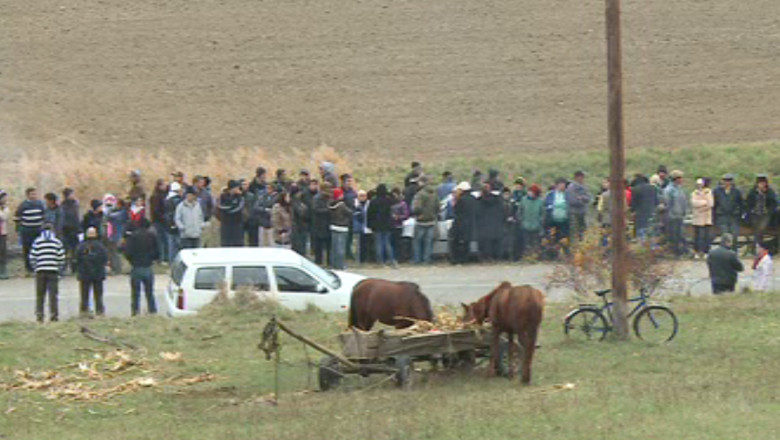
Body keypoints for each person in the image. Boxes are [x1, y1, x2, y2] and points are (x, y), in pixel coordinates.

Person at [29, 223, 65, 322]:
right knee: (53, 295)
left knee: (40, 295)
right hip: (53, 271)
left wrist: (36, 267)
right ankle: (54, 315)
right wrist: (59, 269)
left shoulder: (37, 242)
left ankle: (39, 315)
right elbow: (61, 257)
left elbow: (32, 257)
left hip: (40, 271)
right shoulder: (57, 242)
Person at [124, 219, 159, 315]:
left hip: (136, 266)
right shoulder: (152, 236)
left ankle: (135, 311)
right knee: (149, 292)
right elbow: (157, 252)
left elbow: (128, 252)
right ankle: (152, 310)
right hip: (148, 266)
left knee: (135, 293)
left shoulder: (133, 237)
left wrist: (132, 261)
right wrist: (151, 259)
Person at [75, 227, 108, 317]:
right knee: (98, 295)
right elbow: (105, 258)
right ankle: (99, 311)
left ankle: (84, 311)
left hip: (84, 273)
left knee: (84, 295)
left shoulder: (81, 246)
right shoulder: (100, 246)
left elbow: (77, 258)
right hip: (98, 273)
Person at [14, 188, 45, 274]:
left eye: (35, 194)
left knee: (39, 248)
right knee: (27, 249)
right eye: (32, 194)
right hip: (27, 231)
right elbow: (17, 218)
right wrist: (19, 229)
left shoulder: (40, 204)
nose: (34, 196)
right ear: (27, 195)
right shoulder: (23, 205)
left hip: (38, 230)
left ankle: (39, 266)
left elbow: (44, 215)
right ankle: (29, 268)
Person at [745, 174, 778, 254]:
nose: (762, 185)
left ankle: (757, 246)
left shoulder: (769, 192)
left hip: (765, 214)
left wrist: (769, 210)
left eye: (763, 183)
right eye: (760, 183)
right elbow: (748, 203)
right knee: (757, 227)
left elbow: (774, 203)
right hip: (754, 213)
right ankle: (758, 246)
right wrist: (750, 210)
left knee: (761, 227)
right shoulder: (753, 192)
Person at [411, 176, 439, 264]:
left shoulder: (420, 194)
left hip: (421, 221)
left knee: (417, 241)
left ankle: (417, 259)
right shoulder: (434, 193)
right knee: (428, 242)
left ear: (422, 182)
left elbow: (416, 207)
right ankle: (426, 259)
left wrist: (416, 214)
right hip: (432, 220)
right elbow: (438, 206)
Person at [367, 184, 396, 267]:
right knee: (387, 243)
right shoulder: (388, 200)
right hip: (387, 224)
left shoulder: (373, 201)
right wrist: (389, 193)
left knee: (378, 243)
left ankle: (380, 262)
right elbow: (395, 199)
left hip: (377, 224)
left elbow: (370, 213)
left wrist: (369, 224)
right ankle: (391, 260)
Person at [712, 173, 743, 251]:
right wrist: (714, 216)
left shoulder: (737, 191)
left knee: (734, 235)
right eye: (725, 180)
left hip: (734, 216)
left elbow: (741, 204)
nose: (727, 182)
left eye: (729, 180)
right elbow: (714, 204)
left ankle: (734, 252)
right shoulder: (716, 191)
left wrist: (739, 213)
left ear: (732, 181)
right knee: (725, 235)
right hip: (722, 216)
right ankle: (724, 252)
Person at [451, 182, 478, 264]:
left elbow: (456, 210)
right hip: (470, 223)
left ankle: (457, 259)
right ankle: (465, 259)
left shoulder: (461, 199)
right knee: (466, 242)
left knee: (456, 242)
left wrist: (455, 200)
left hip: (460, 223)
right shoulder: (473, 198)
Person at [663, 170, 688, 257]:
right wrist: (671, 214)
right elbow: (667, 203)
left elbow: (683, 201)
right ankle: (675, 252)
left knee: (681, 234)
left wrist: (684, 211)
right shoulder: (669, 190)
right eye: (680, 178)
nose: (682, 180)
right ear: (676, 179)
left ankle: (682, 251)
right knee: (674, 235)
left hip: (680, 215)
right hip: (672, 216)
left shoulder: (679, 189)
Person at [477, 183, 505, 261]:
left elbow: (477, 213)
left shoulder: (479, 201)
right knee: (495, 242)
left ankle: (485, 257)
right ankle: (495, 257)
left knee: (485, 243)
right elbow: (502, 210)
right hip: (495, 224)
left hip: (483, 225)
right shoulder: (497, 199)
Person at [565, 170, 592, 245]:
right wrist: (582, 201)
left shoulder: (585, 187)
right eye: (581, 177)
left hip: (583, 212)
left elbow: (589, 198)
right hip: (574, 213)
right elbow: (572, 201)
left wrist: (581, 198)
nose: (583, 179)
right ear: (577, 177)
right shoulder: (571, 188)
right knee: (574, 231)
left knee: (583, 231)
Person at [630, 175, 658, 244]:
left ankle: (642, 245)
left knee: (641, 232)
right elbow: (656, 201)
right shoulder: (653, 188)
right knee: (651, 232)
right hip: (652, 213)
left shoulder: (636, 189)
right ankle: (652, 246)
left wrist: (632, 212)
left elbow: (634, 204)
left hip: (640, 215)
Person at [691, 178, 714, 259]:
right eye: (698, 184)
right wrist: (704, 202)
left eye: (700, 184)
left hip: (706, 218)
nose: (699, 186)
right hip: (697, 219)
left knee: (706, 236)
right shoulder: (694, 193)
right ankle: (697, 252)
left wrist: (700, 207)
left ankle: (706, 252)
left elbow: (710, 204)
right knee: (697, 236)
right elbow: (693, 203)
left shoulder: (708, 192)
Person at [217, 180, 245, 247]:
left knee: (238, 243)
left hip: (237, 223)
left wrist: (230, 208)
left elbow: (238, 208)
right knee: (226, 243)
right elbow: (220, 207)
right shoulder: (223, 196)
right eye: (237, 187)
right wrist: (231, 206)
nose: (238, 189)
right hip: (226, 223)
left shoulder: (240, 197)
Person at [519, 184, 545, 258]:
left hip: (536, 226)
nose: (529, 193)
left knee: (535, 242)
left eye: (532, 192)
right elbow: (520, 211)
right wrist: (521, 220)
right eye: (529, 191)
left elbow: (543, 213)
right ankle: (526, 256)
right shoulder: (523, 200)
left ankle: (535, 256)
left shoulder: (540, 201)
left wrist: (540, 222)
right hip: (525, 225)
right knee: (526, 242)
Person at [329, 188, 352, 270]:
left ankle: (333, 264)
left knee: (334, 247)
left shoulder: (330, 204)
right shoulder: (342, 205)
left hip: (333, 226)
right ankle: (340, 265)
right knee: (341, 248)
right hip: (342, 227)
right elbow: (350, 213)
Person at [105, 198, 128, 274]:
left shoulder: (122, 213)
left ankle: (117, 268)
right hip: (114, 234)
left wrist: (109, 210)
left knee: (115, 252)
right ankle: (115, 267)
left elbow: (110, 216)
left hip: (117, 235)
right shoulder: (119, 212)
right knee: (113, 252)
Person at [311, 182, 332, 265]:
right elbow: (315, 209)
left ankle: (329, 261)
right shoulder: (317, 198)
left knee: (329, 245)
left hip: (327, 223)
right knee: (318, 245)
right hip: (319, 224)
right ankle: (318, 262)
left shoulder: (329, 197)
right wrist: (327, 210)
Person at [60, 188, 80, 274]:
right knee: (65, 249)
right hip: (66, 230)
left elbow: (76, 218)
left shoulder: (75, 204)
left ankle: (74, 267)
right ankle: (64, 267)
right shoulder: (63, 206)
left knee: (75, 250)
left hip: (74, 230)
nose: (73, 196)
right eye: (71, 194)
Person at [545, 178, 570, 246]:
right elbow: (546, 206)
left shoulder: (567, 195)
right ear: (557, 185)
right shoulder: (550, 195)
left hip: (564, 222)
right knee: (552, 240)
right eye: (561, 184)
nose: (563, 186)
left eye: (564, 185)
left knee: (563, 241)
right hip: (552, 221)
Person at [149, 179, 169, 263]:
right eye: (164, 185)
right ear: (159, 186)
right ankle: (162, 258)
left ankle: (164, 258)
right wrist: (164, 218)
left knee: (164, 240)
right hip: (159, 222)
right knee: (161, 240)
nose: (166, 186)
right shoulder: (156, 196)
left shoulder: (163, 195)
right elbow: (156, 210)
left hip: (161, 221)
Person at [390, 187, 411, 262]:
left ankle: (398, 258)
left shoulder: (402, 204)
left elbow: (406, 215)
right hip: (391, 225)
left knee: (397, 243)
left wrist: (398, 217)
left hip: (398, 225)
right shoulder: (390, 202)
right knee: (392, 242)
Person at [164, 182, 183, 262]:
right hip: (177, 225)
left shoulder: (167, 199)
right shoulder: (177, 200)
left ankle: (172, 262)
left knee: (171, 245)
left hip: (169, 226)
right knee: (178, 245)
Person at [341, 174, 357, 261]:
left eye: (350, 181)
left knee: (350, 236)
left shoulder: (352, 192)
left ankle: (348, 251)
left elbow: (355, 202)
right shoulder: (340, 191)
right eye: (348, 181)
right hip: (342, 217)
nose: (349, 183)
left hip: (351, 217)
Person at [290, 185, 310, 256]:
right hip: (298, 226)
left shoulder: (298, 201)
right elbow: (300, 213)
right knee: (299, 245)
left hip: (300, 226)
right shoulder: (295, 202)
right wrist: (305, 209)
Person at [353, 189, 372, 264]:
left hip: (367, 226)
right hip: (357, 226)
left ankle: (366, 258)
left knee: (366, 243)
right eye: (361, 196)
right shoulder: (355, 203)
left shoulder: (369, 203)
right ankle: (358, 259)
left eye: (364, 196)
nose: (363, 197)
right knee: (357, 244)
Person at [0, 190, 8, 279]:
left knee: (2, 251)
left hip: (2, 233)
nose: (5, 199)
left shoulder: (5, 208)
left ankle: (3, 270)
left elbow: (4, 217)